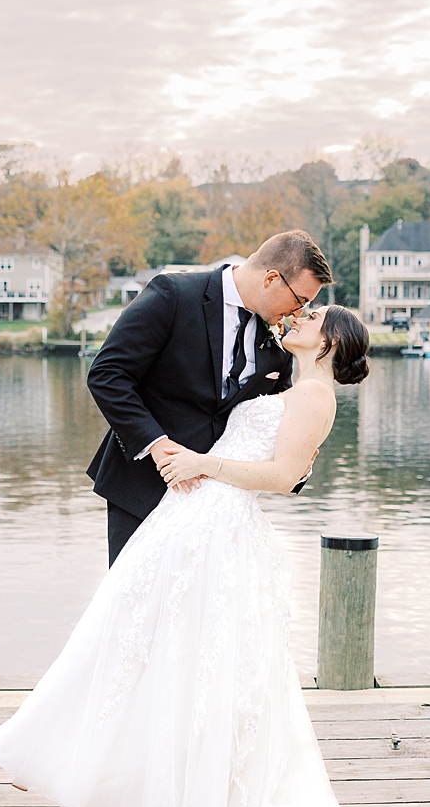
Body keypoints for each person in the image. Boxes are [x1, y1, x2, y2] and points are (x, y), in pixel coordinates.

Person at [0, 304, 374, 807]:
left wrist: (204, 461)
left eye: (314, 316)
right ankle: (54, 757)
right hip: (193, 518)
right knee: (132, 638)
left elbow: (283, 478)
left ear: (331, 342)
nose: (299, 318)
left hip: (220, 528)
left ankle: (56, 759)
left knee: (188, 656)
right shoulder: (287, 379)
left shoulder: (314, 397)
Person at [85, 231, 333, 566]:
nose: (297, 313)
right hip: (142, 488)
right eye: (300, 300)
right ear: (272, 278)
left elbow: (274, 419)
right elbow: (108, 374)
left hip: (215, 509)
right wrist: (158, 445)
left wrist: (298, 466)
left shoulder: (279, 347)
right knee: (136, 611)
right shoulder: (174, 294)